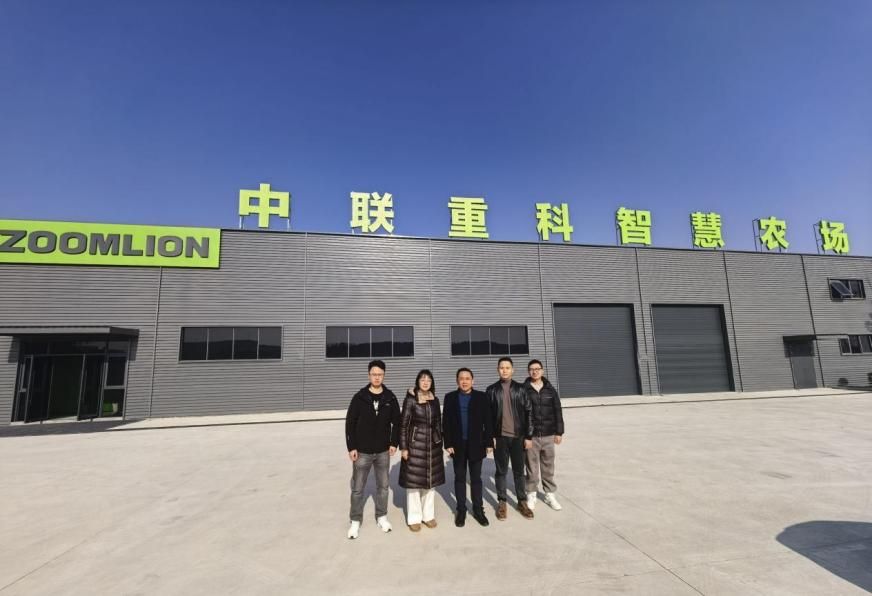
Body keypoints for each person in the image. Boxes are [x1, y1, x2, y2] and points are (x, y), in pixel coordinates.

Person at [344, 359, 401, 539]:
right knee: (357, 488)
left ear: (384, 375)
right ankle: (355, 520)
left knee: (383, 486)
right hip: (362, 451)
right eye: (374, 374)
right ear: (369, 375)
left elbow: (397, 422)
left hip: (383, 451)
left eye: (380, 374)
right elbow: (350, 423)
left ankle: (382, 516)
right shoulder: (360, 397)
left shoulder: (390, 397)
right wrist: (351, 446)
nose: (377, 377)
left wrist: (394, 443)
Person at [443, 367, 493, 528]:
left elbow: (488, 421)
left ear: (473, 380)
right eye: (461, 378)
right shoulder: (450, 397)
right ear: (457, 381)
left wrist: (489, 442)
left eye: (467, 378)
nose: (464, 381)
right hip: (457, 445)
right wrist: (448, 443)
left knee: (476, 478)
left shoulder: (481, 397)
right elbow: (446, 423)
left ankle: (478, 510)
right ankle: (461, 510)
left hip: (476, 444)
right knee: (459, 478)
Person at [486, 356, 534, 520]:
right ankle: (502, 502)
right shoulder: (491, 390)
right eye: (501, 367)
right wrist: (490, 437)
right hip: (500, 438)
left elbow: (529, 413)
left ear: (512, 370)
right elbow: (488, 417)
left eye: (507, 367)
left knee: (519, 471)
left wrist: (529, 436)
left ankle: (522, 501)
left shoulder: (521, 389)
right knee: (501, 471)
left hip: (518, 438)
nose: (504, 370)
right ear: (497, 370)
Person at [399, 370, 446, 532]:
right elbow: (403, 425)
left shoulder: (434, 399)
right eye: (422, 379)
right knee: (414, 484)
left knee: (430, 483)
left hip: (432, 445)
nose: (425, 382)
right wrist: (404, 447)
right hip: (415, 445)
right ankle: (414, 518)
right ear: (418, 382)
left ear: (432, 383)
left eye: (428, 380)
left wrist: (439, 440)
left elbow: (438, 422)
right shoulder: (410, 400)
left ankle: (428, 516)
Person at [523, 359, 565, 512]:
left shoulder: (550, 390)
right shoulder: (524, 389)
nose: (535, 371)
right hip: (532, 436)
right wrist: (525, 436)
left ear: (542, 370)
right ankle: (531, 493)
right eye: (532, 369)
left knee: (548, 466)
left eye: (537, 369)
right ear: (528, 371)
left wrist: (559, 432)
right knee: (531, 467)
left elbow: (557, 411)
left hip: (548, 434)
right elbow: (521, 414)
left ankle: (549, 494)